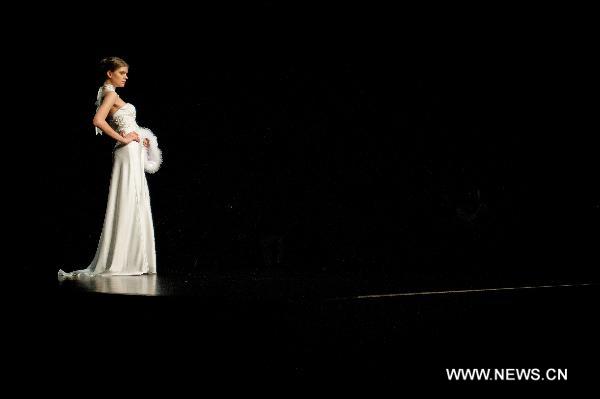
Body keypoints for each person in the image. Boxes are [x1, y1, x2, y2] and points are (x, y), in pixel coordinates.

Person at [58, 56, 163, 278]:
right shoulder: (111, 93)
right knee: (129, 199)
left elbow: (123, 123)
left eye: (126, 73)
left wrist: (139, 138)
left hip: (132, 151)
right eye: (122, 73)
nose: (125, 77)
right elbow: (98, 120)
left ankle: (134, 258)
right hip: (126, 151)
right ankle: (129, 260)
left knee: (132, 199)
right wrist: (124, 139)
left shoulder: (108, 93)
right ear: (110, 73)